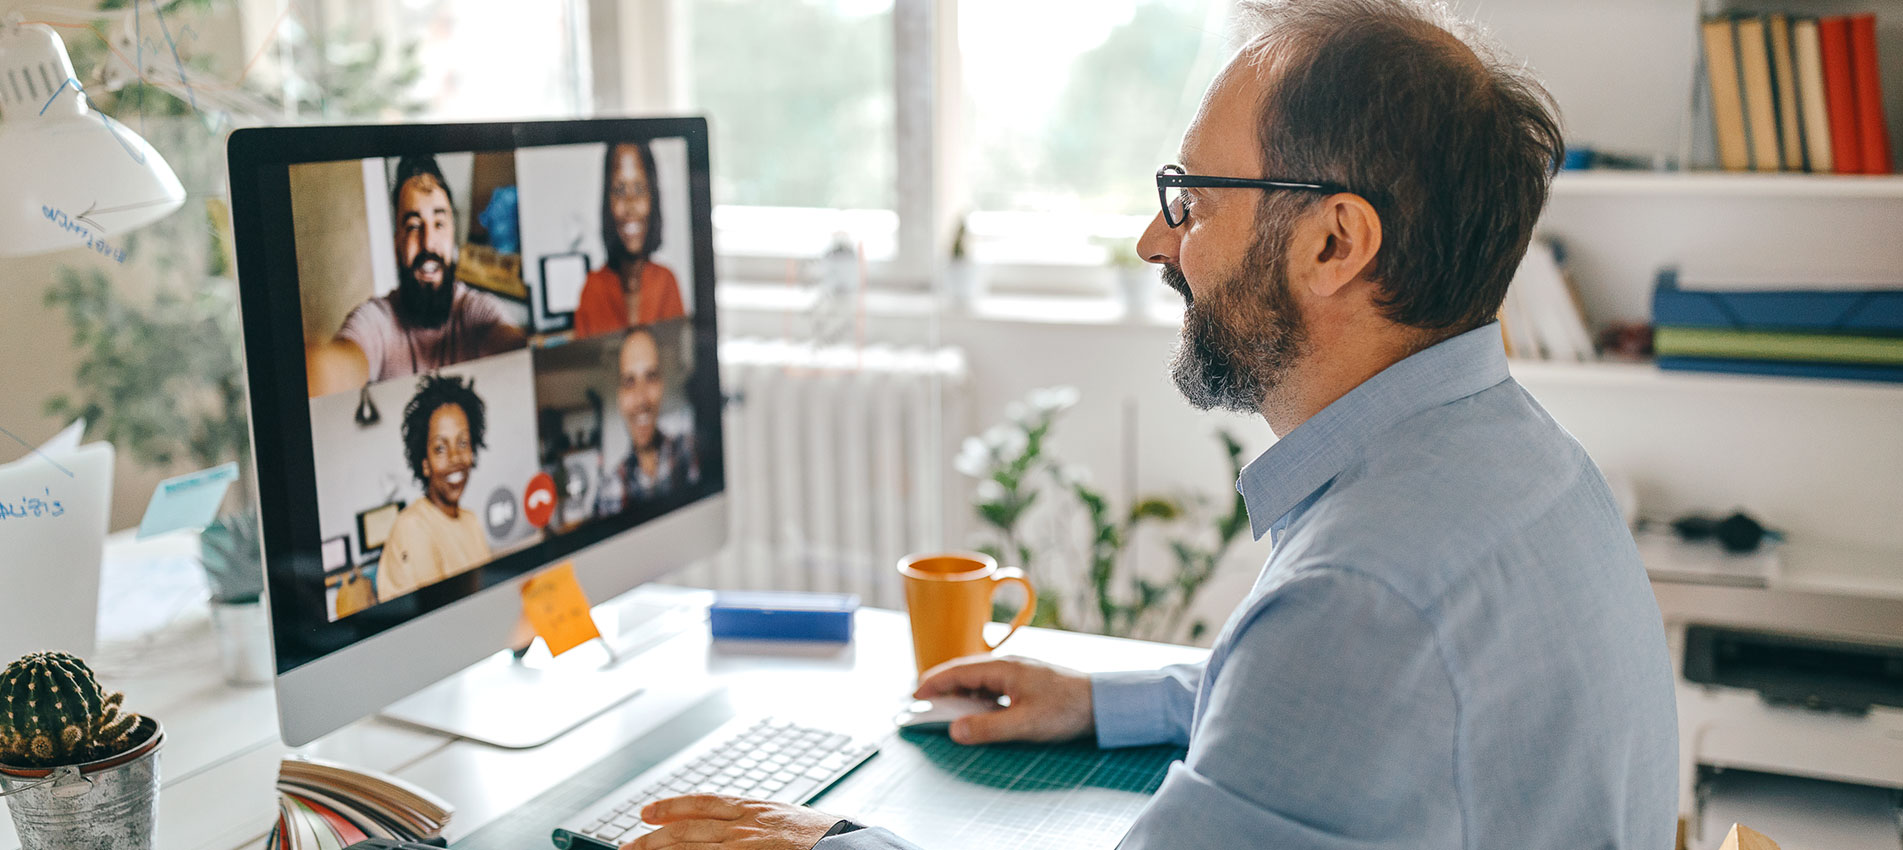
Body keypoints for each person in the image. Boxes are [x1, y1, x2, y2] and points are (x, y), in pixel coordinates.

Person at [628, 1, 1678, 849]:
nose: (1151, 240)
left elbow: (1352, 661)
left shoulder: (1358, 601)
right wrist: (1117, 701)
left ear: (1332, 243)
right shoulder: (1525, 464)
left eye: (1191, 201)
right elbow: (1359, 715)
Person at [306, 155, 527, 396]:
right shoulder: (376, 322)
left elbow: (512, 348)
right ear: (396, 244)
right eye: (413, 226)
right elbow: (334, 367)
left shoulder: (477, 311)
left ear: (453, 236)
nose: (428, 242)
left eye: (439, 223)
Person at [376, 374, 493, 601]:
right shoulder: (412, 527)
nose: (455, 457)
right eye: (440, 448)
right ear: (425, 464)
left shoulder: (471, 521)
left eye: (462, 443)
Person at [572, 141, 687, 338]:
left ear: (653, 198)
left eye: (640, 189)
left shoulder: (666, 282)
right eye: (620, 190)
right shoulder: (593, 289)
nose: (631, 205)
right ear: (608, 203)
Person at [595, 325, 698, 515]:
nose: (641, 399)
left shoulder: (691, 453)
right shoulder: (610, 487)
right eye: (629, 382)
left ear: (662, 384)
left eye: (650, 377)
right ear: (620, 397)